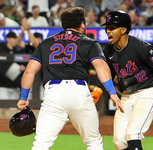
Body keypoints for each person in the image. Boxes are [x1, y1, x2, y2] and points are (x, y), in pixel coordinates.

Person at [16, 7, 124, 150]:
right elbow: (100, 66)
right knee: (93, 142)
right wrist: (112, 92)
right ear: (82, 24)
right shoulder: (89, 42)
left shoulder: (46, 43)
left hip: (53, 95)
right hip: (79, 93)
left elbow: (29, 71)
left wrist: (23, 97)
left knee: (40, 144)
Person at [101, 10, 153, 150]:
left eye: (112, 28)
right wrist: (97, 90)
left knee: (133, 134)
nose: (108, 31)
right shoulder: (109, 51)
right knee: (119, 142)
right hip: (127, 95)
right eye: (107, 27)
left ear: (124, 29)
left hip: (148, 92)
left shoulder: (141, 47)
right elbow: (107, 74)